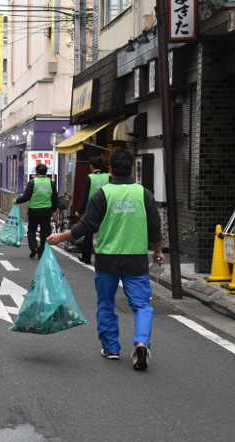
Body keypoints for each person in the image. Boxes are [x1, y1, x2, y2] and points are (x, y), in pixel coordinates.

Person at [47, 149, 164, 371]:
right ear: (131, 169)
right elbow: (154, 227)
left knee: (106, 304)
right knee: (142, 305)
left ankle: (111, 349)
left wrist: (61, 236)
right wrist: (157, 251)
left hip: (107, 259)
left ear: (110, 169)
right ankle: (141, 342)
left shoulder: (102, 194)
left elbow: (86, 226)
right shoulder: (144, 193)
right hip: (136, 259)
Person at [14, 164, 56, 259]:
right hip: (46, 211)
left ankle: (34, 249)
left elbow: (26, 197)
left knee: (32, 230)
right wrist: (53, 210)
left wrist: (17, 201)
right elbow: (54, 199)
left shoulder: (32, 182)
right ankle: (41, 251)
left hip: (34, 211)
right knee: (45, 232)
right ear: (46, 172)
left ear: (36, 172)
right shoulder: (51, 183)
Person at [75, 156, 111, 265]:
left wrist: (79, 211)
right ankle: (106, 257)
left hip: (92, 209)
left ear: (91, 166)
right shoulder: (108, 177)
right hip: (106, 208)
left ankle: (86, 258)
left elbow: (84, 197)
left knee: (88, 234)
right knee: (105, 233)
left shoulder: (88, 178)